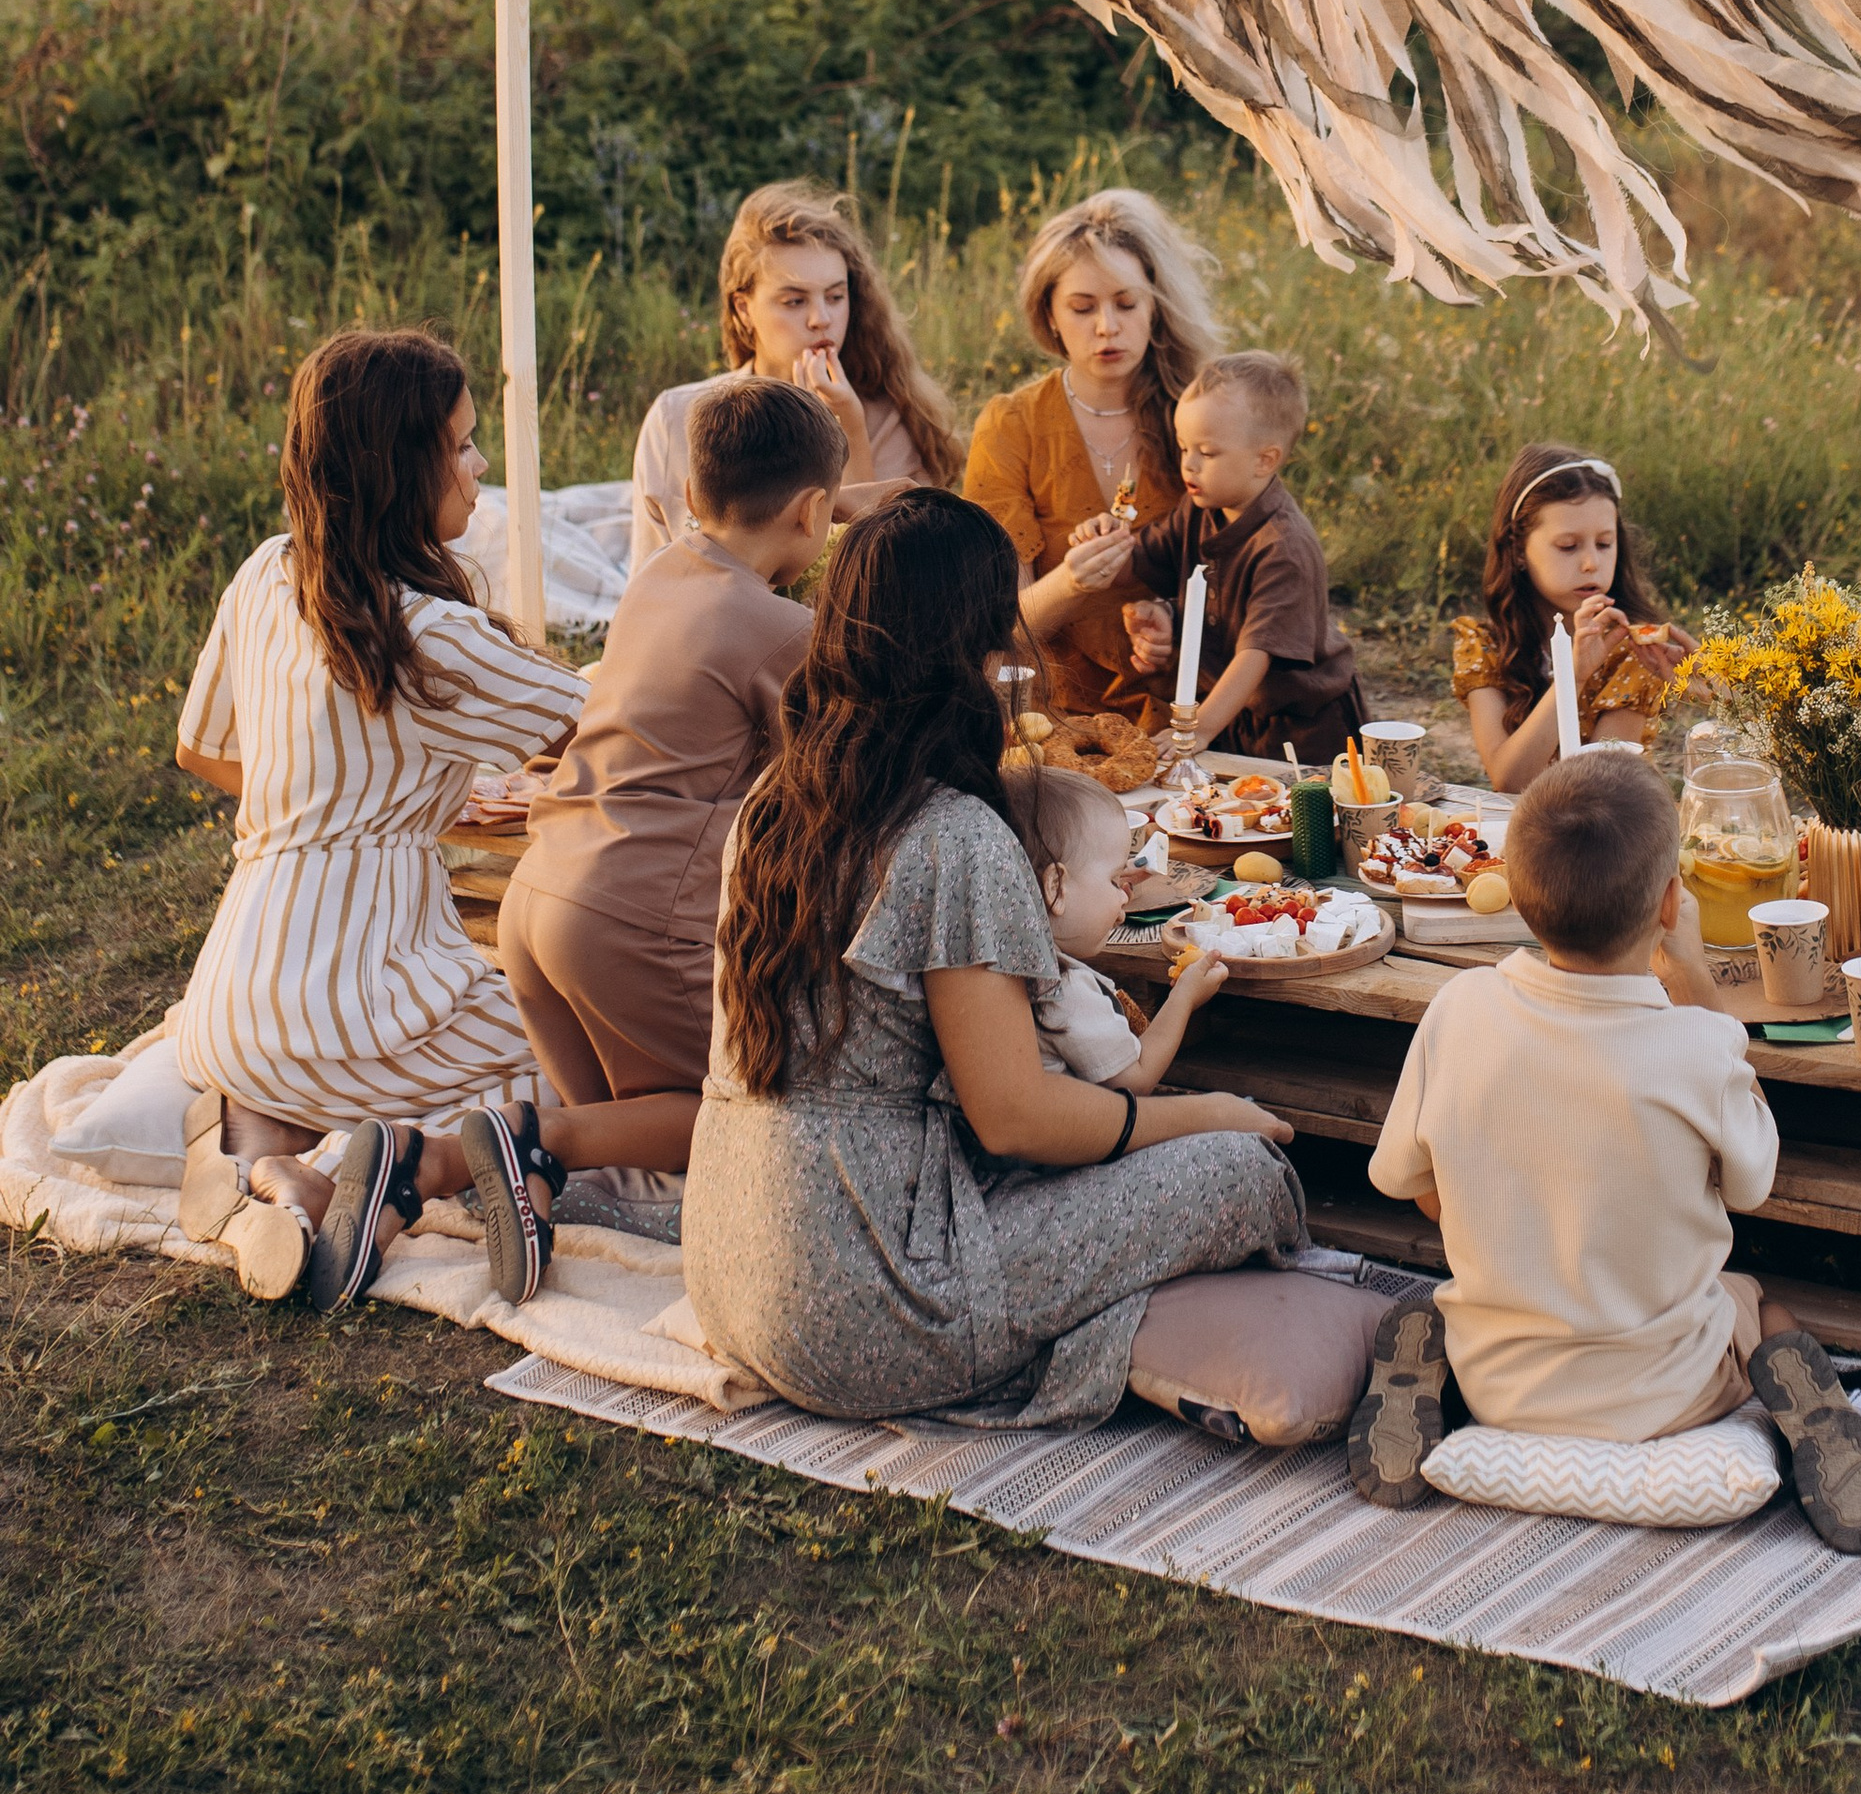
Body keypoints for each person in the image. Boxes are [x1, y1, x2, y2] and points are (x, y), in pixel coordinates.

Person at [680, 483, 1304, 1423]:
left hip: (727, 1270)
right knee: (1244, 1170)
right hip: (868, 1303)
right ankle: (1145, 1344)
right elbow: (1014, 1118)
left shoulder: (775, 800)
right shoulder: (952, 837)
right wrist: (1200, 1114)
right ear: (972, 643)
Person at [171, 329, 702, 1315]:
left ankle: (265, 1167)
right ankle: (411, 1170)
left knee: (295, 1064)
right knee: (629, 1087)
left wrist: (383, 793)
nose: (480, 464)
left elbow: (207, 753)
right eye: (460, 445)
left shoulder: (266, 573)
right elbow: (623, 728)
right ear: (400, 467)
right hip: (357, 999)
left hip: (225, 1000)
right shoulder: (434, 635)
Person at [1350, 753, 1861, 1553]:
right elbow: (1754, 1183)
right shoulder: (1697, 1047)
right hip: (1666, 1395)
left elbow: (1402, 1177)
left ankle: (1438, 1356)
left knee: (1459, 1221)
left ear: (1510, 882)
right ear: (1671, 902)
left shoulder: (1458, 1008)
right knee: (1753, 1301)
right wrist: (1704, 990)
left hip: (1500, 1381)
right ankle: (1817, 1413)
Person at [501, 378, 846, 1115]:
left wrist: (842, 500)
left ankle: (529, 1174)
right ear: (815, 511)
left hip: (534, 898)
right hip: (629, 915)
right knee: (734, 1116)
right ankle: (450, 1159)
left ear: (691, 493)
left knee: (614, 1129)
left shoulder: (661, 572)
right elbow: (844, 769)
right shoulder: (779, 631)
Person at [961, 187, 1223, 715]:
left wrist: (1171, 620)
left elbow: (1251, 578)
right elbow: (1002, 624)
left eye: (1126, 304)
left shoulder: (1201, 414)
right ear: (1050, 317)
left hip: (1193, 708)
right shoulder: (1012, 425)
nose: (1107, 326)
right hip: (1052, 717)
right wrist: (1072, 583)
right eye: (1082, 308)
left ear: (1156, 309)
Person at [629, 184, 957, 575]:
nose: (821, 319)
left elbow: (884, 581)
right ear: (744, 308)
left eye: (835, 297)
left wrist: (847, 429)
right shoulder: (676, 417)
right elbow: (652, 574)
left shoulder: (889, 419)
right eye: (795, 301)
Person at [1118, 352, 1368, 761]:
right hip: (1232, 712)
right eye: (1184, 448)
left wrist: (1194, 729)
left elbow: (1256, 656)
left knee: (1300, 816)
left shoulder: (1283, 548)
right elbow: (1140, 558)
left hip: (1304, 726)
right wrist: (1104, 545)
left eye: (1207, 453)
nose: (1189, 465)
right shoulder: (1198, 509)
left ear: (1264, 460)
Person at [1454, 445, 1693, 795]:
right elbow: (1508, 779)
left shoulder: (1632, 650)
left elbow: (1594, 789)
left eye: (1604, 543)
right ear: (1518, 551)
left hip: (1610, 831)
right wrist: (1572, 674)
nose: (1591, 563)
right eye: (1568, 546)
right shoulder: (1485, 643)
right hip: (1524, 827)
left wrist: (1578, 674)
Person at [1010, 761, 1232, 1093]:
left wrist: (1107, 879)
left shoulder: (1008, 967)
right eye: (1115, 880)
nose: (1124, 896)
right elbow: (1135, 1079)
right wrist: (1185, 996)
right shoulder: (1065, 991)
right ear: (1056, 888)